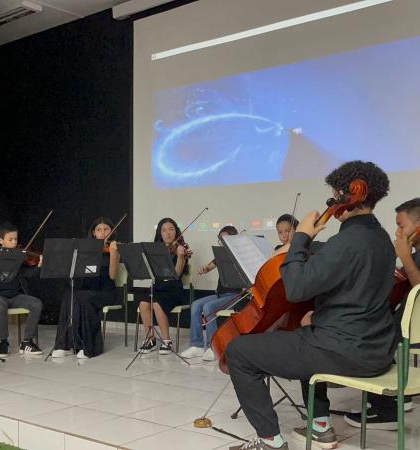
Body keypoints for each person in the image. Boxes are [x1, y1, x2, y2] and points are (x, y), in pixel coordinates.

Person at [225, 161, 396, 450]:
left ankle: (269, 441)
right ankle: (319, 427)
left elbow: (296, 288)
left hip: (345, 352)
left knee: (238, 351)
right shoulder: (382, 238)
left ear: (345, 195)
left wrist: (301, 237)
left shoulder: (347, 242)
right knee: (304, 333)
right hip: (377, 349)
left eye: (334, 194)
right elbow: (354, 291)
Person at [343, 197, 420, 430]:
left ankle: (386, 410)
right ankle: (397, 397)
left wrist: (404, 255)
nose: (397, 232)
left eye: (401, 226)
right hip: (418, 328)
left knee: (365, 338)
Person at [52, 217, 121, 359]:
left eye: (106, 229)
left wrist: (114, 254)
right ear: (94, 233)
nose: (102, 233)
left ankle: (89, 347)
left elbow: (113, 276)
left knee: (83, 297)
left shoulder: (115, 249)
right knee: (69, 294)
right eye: (99, 230)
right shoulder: (88, 250)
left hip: (107, 292)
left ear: (112, 231)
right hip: (89, 290)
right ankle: (64, 345)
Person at [0, 222, 44, 357]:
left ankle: (27, 342)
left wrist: (39, 266)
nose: (14, 242)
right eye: (10, 240)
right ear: (1, 240)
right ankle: (3, 342)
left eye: (15, 239)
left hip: (16, 296)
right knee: (0, 306)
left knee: (36, 303)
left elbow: (28, 274)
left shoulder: (20, 255)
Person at [180, 225, 240, 361]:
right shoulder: (221, 256)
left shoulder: (238, 256)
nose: (223, 243)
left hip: (234, 296)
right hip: (220, 294)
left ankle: (213, 347)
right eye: (220, 240)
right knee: (195, 305)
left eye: (226, 239)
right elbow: (209, 267)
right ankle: (197, 346)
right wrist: (204, 269)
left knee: (208, 307)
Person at [138, 217, 191, 355]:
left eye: (171, 229)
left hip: (174, 289)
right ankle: (150, 339)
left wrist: (180, 257)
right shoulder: (156, 250)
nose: (168, 233)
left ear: (176, 231)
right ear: (159, 234)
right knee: (143, 304)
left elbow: (177, 274)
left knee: (156, 303)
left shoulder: (181, 249)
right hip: (158, 287)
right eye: (164, 230)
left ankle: (167, 340)